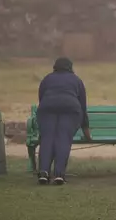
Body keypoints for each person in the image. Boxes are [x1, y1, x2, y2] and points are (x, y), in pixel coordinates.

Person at [36, 57, 91, 185]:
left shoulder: (47, 79)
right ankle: (59, 175)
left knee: (47, 139)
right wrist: (86, 130)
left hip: (47, 108)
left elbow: (41, 98)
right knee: (63, 138)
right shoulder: (76, 80)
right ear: (70, 67)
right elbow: (83, 106)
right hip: (70, 109)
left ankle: (44, 172)